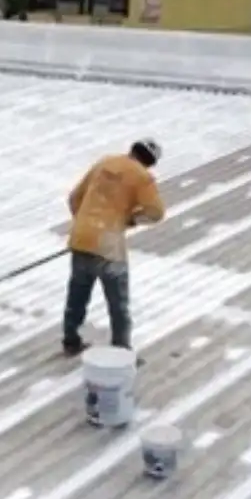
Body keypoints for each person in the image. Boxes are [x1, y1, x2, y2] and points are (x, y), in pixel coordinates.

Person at [62, 138, 166, 359]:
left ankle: (71, 339)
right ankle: (121, 350)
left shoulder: (105, 163)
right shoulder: (142, 177)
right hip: (108, 247)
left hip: (81, 239)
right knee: (118, 302)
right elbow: (156, 212)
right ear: (150, 163)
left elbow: (74, 198)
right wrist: (132, 219)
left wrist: (85, 223)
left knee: (77, 294)